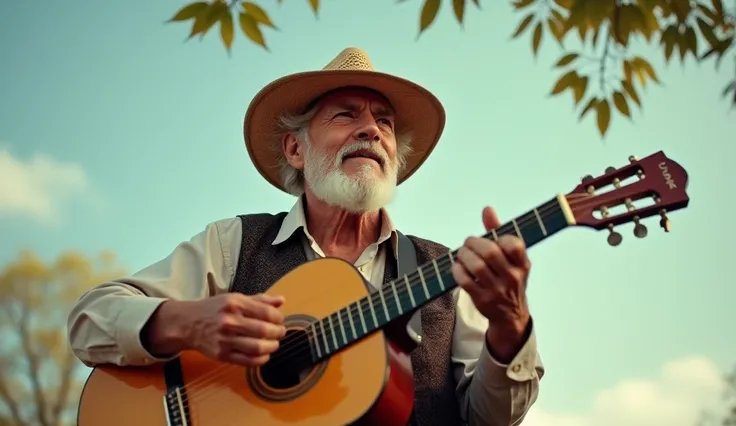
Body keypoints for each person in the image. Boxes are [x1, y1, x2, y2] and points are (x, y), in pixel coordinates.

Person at [67, 47, 544, 426]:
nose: (371, 130)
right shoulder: (234, 243)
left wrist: (510, 324)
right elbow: (90, 319)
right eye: (346, 115)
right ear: (296, 148)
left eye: (385, 121)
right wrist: (186, 322)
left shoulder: (448, 273)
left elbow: (491, 420)